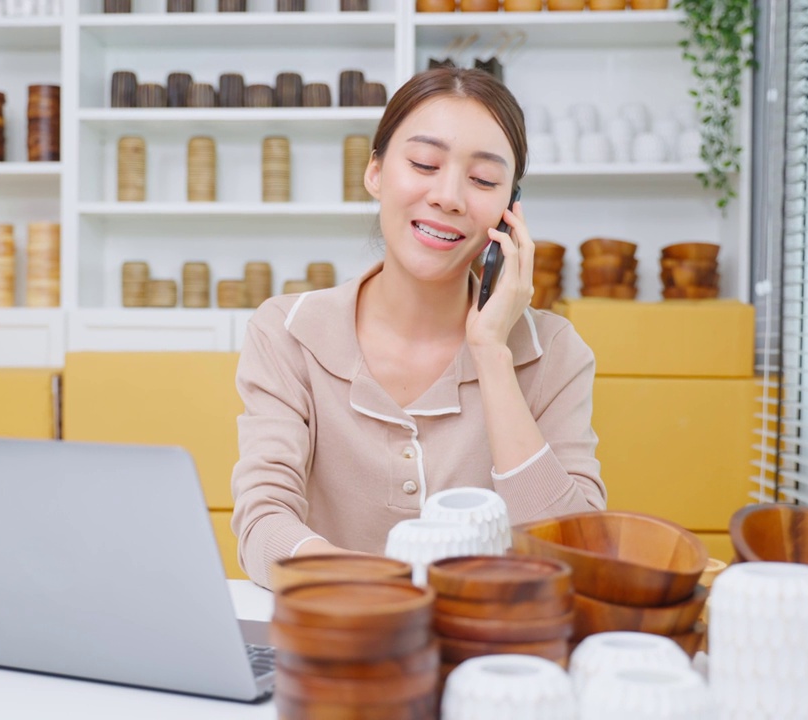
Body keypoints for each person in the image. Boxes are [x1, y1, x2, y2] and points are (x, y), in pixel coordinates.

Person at [230, 67, 605, 589]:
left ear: (508, 212)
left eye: (483, 180)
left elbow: (573, 554)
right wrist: (389, 591)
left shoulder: (555, 353)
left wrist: (492, 352)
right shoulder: (288, 332)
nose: (449, 196)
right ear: (376, 172)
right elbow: (262, 524)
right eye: (425, 163)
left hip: (487, 655)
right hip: (335, 640)